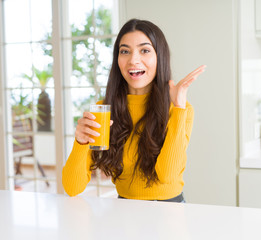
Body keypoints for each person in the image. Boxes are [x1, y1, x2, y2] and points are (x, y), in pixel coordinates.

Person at [62, 18, 206, 202]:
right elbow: (72, 188)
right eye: (125, 51)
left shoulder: (180, 109)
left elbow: (167, 176)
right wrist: (80, 143)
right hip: (124, 210)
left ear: (159, 56)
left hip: (170, 211)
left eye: (144, 50)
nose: (133, 60)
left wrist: (178, 108)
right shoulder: (104, 110)